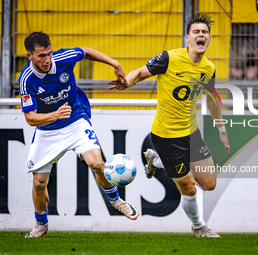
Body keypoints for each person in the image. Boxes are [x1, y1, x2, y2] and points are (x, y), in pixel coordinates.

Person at [108, 14, 230, 238]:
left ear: (209, 39)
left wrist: (221, 129)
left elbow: (211, 100)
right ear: (188, 38)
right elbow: (141, 72)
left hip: (191, 133)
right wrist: (127, 83)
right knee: (189, 186)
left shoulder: (209, 68)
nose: (200, 35)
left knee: (209, 183)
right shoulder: (169, 58)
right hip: (166, 137)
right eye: (196, 32)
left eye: (204, 32)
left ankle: (156, 160)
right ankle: (199, 226)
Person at [20, 32, 139, 238]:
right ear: (29, 56)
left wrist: (114, 62)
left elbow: (85, 52)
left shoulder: (62, 58)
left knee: (97, 163)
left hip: (75, 117)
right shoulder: (26, 80)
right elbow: (30, 118)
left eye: (49, 53)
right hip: (48, 129)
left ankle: (115, 200)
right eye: (41, 56)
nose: (47, 59)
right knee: (39, 183)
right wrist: (54, 115)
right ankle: (41, 224)